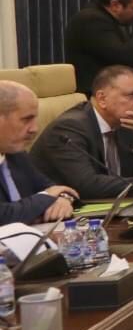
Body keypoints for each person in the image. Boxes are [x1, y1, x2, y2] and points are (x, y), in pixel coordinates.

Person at [31, 65, 133, 199]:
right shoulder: (69, 128)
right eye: (132, 95)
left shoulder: (125, 123)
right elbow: (88, 185)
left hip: (117, 208)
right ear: (102, 99)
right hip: (64, 214)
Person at [0, 81, 77, 225]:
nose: (34, 128)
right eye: (26, 119)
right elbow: (3, 215)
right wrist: (46, 197)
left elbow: (53, 188)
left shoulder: (16, 154)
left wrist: (63, 199)